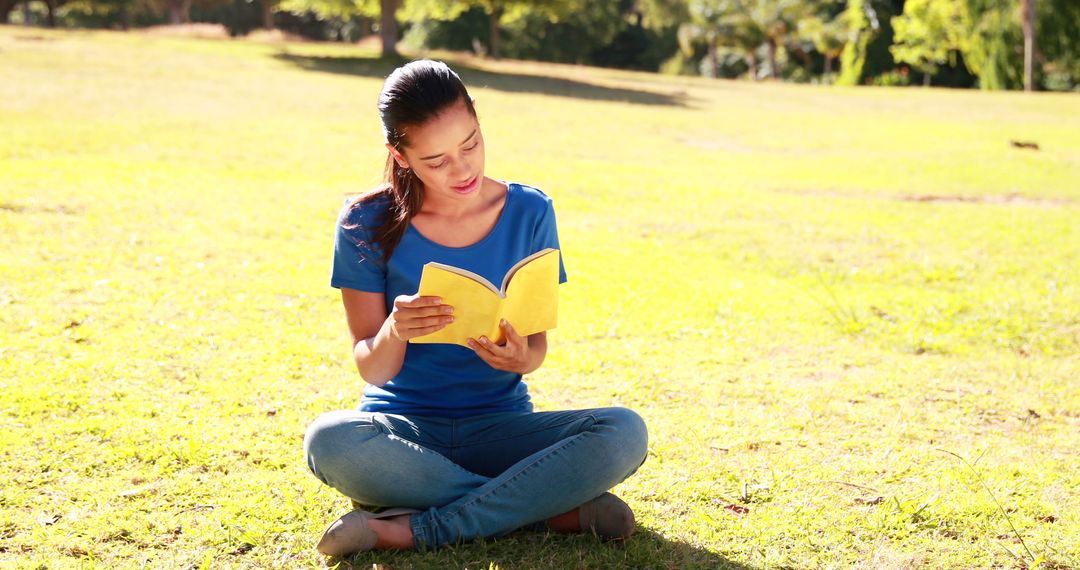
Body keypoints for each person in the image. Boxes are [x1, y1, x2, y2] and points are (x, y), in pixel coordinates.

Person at [303, 59, 649, 555]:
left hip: (501, 426)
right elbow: (371, 369)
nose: (462, 169)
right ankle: (545, 508)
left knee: (624, 432)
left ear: (479, 124)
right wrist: (395, 331)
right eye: (437, 160)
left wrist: (520, 358)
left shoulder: (531, 211)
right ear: (399, 156)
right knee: (328, 440)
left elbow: (535, 349)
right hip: (403, 432)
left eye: (470, 145)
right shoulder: (365, 221)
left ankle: (417, 527)